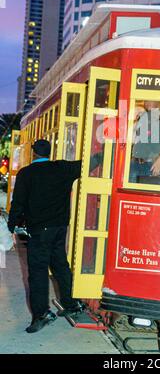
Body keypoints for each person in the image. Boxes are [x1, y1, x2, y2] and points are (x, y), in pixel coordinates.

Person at [7, 139, 95, 333]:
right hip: (60, 228)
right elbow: (91, 162)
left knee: (37, 273)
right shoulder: (62, 168)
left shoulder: (26, 173)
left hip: (39, 231)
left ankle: (41, 315)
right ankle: (72, 304)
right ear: (50, 152)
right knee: (60, 266)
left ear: (33, 154)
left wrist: (11, 224)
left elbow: (18, 201)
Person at [129, 101, 160, 184]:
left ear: (158, 101)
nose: (147, 102)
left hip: (153, 165)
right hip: (136, 164)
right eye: (146, 100)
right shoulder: (143, 116)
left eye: (151, 99)